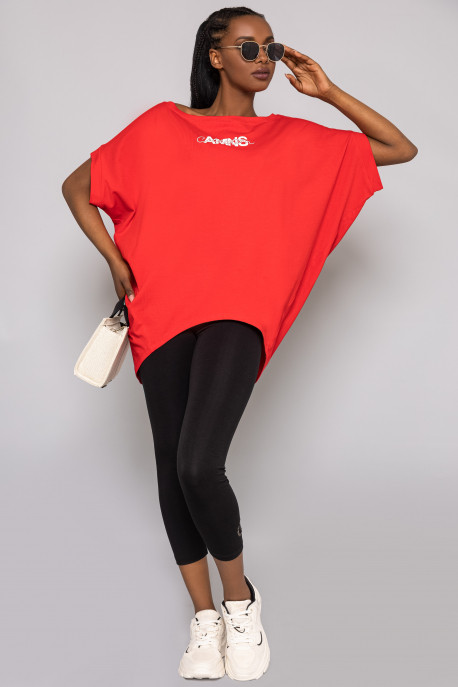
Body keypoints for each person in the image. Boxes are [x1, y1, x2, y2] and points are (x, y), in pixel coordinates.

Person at [62, 6, 418, 682]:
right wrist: (114, 259)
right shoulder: (160, 125)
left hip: (239, 312)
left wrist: (328, 92)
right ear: (215, 55)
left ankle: (239, 600)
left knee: (200, 464)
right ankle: (203, 619)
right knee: (171, 468)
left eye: (271, 47)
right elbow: (77, 187)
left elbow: (399, 148)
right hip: (160, 310)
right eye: (248, 46)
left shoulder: (292, 138)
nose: (264, 58)